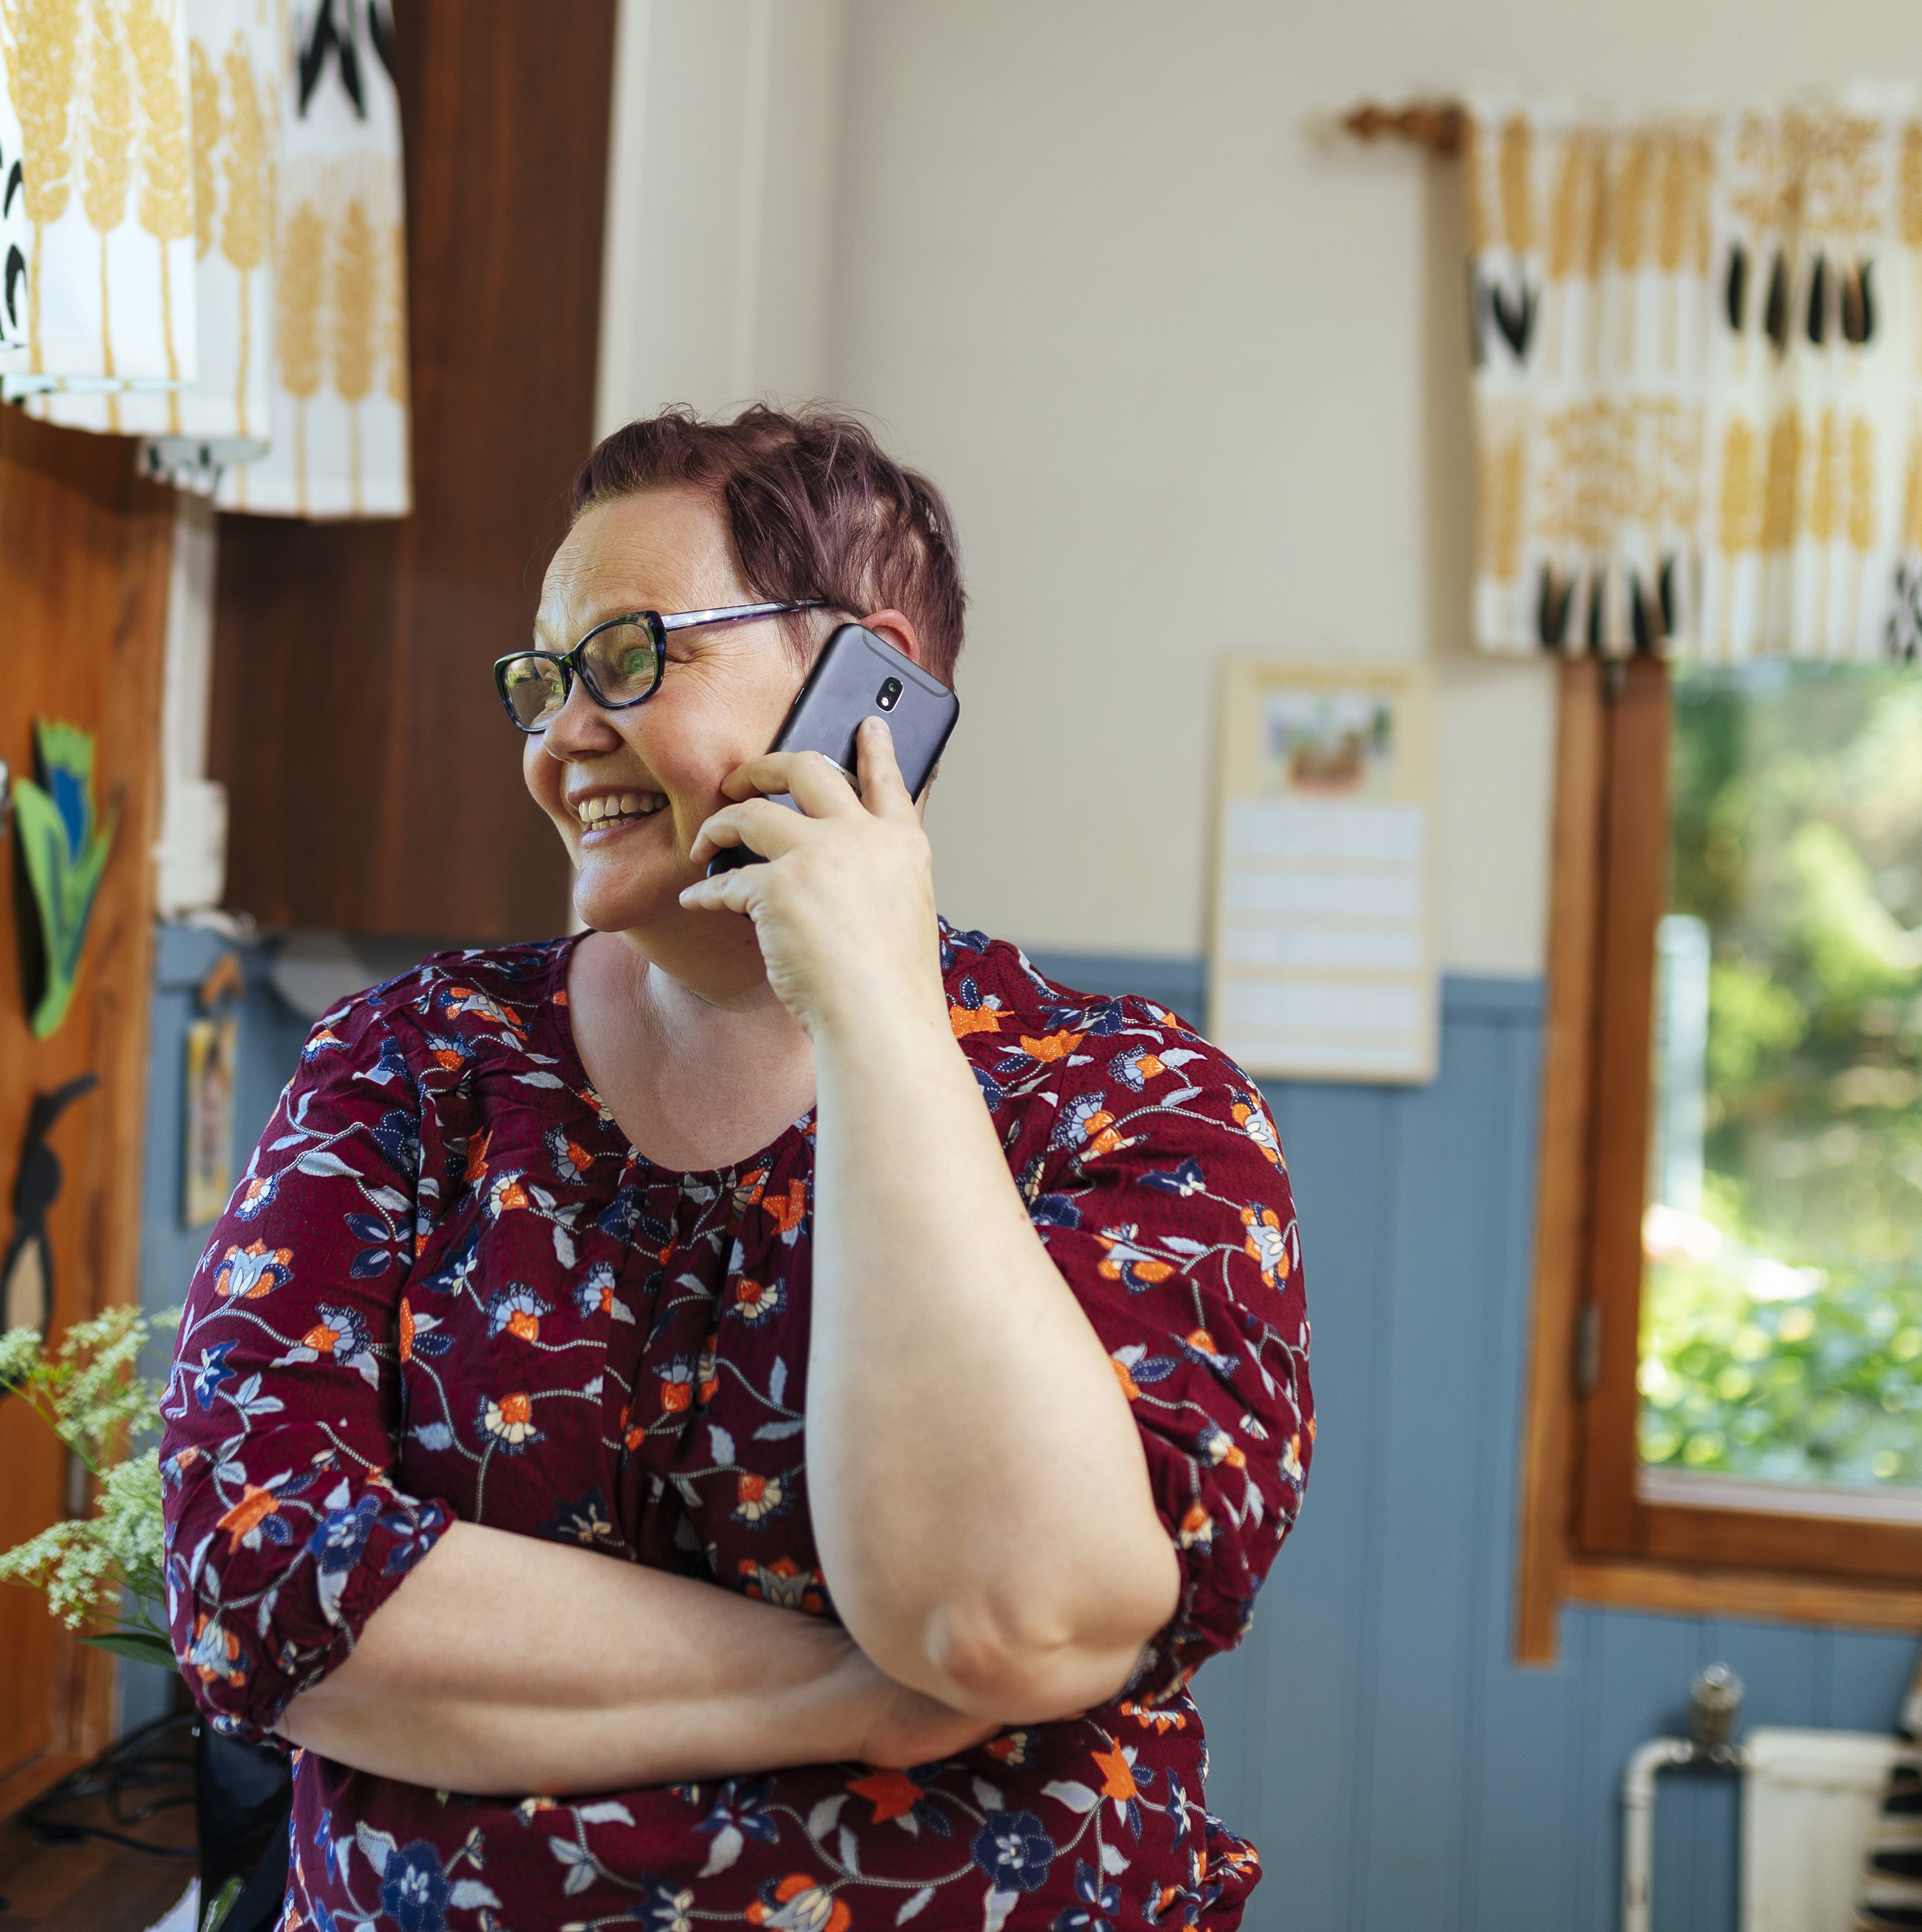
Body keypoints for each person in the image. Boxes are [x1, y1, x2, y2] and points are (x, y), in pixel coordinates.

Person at [161, 405, 1310, 1931]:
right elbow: (259, 1593)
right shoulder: (405, 1066)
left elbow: (1008, 1622)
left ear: (868, 688)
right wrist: (850, 1692)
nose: (563, 734)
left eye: (630, 659)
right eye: (543, 680)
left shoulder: (1129, 1104)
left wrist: (877, 1013)